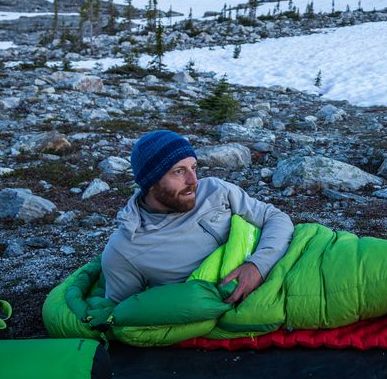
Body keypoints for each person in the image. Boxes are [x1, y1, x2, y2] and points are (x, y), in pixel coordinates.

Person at [100, 130, 294, 304]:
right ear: (150, 183)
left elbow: (275, 217)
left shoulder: (215, 190)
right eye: (179, 172)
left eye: (193, 167)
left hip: (279, 269)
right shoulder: (125, 250)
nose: (193, 181)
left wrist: (257, 266)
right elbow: (125, 314)